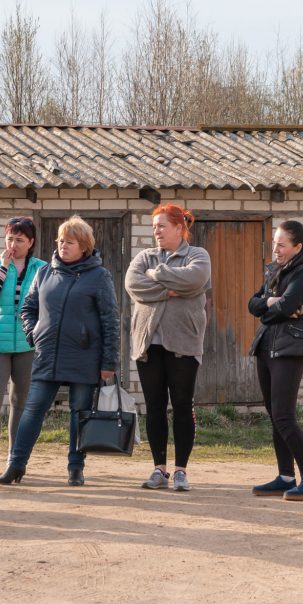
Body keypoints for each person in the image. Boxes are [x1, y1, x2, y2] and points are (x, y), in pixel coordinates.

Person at [0, 215, 119, 487]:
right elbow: (28, 308)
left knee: (79, 412)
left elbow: (111, 321)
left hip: (84, 356)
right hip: (47, 354)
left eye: (70, 242)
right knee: (32, 410)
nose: (63, 246)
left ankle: (75, 468)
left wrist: (109, 361)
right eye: (61, 241)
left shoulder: (99, 276)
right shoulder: (45, 272)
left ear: (84, 246)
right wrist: (34, 334)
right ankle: (16, 465)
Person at [125, 204, 211, 492]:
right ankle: (158, 469)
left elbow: (195, 280)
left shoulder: (197, 255)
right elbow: (133, 285)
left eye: (162, 226)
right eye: (154, 227)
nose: (157, 232)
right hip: (148, 343)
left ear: (178, 227)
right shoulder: (143, 257)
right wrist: (172, 289)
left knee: (183, 406)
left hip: (184, 342)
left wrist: (157, 275)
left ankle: (181, 471)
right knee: (155, 407)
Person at [248, 220, 303, 502]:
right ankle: (285, 476)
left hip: (291, 348)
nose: (276, 249)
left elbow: (283, 306)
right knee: (275, 417)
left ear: (298, 247)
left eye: (282, 244)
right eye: (274, 243)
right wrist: (273, 303)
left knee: (284, 416)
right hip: (267, 347)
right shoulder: (276, 270)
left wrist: (272, 305)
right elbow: (253, 304)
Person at [0, 216, 47, 474]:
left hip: (28, 345)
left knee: (20, 402)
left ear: (31, 242)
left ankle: (14, 457)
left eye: (19, 239)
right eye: (9, 238)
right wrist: (3, 268)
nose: (13, 244)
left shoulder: (42, 268)